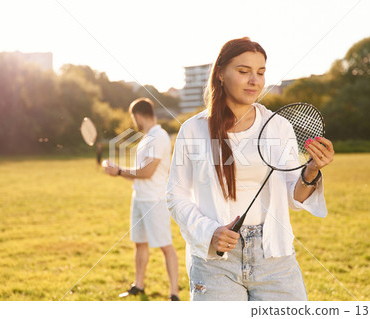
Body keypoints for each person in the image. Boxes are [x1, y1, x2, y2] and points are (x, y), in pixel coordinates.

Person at [166, 37, 334, 301]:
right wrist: (210, 232)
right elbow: (176, 197)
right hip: (215, 262)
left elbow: (295, 196)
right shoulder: (193, 130)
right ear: (220, 74)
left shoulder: (278, 127)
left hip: (274, 257)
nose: (254, 80)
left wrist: (311, 171)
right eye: (244, 72)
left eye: (261, 72)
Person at [104, 98, 180, 301]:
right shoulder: (147, 138)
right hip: (139, 198)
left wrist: (118, 171)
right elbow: (139, 172)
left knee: (166, 246)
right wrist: (118, 171)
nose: (133, 121)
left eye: (133, 117)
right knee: (139, 243)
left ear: (138, 115)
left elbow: (147, 172)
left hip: (154, 201)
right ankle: (139, 285)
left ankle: (174, 293)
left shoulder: (160, 136)